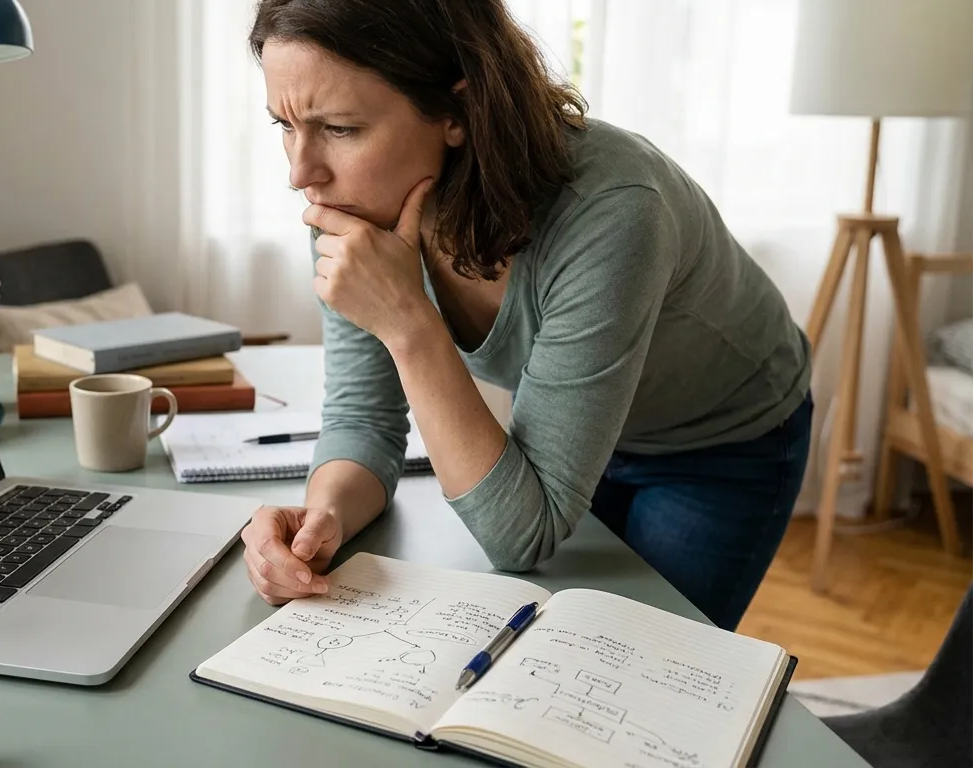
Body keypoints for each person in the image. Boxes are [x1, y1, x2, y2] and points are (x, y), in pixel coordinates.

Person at [237, 0, 813, 632]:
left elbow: (522, 537)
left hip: (717, 441)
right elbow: (363, 419)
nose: (300, 172)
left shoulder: (613, 210)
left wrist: (408, 322)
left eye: (340, 128)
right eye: (284, 125)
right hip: (572, 433)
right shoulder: (349, 197)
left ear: (455, 110)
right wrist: (321, 519)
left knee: (633, 668)